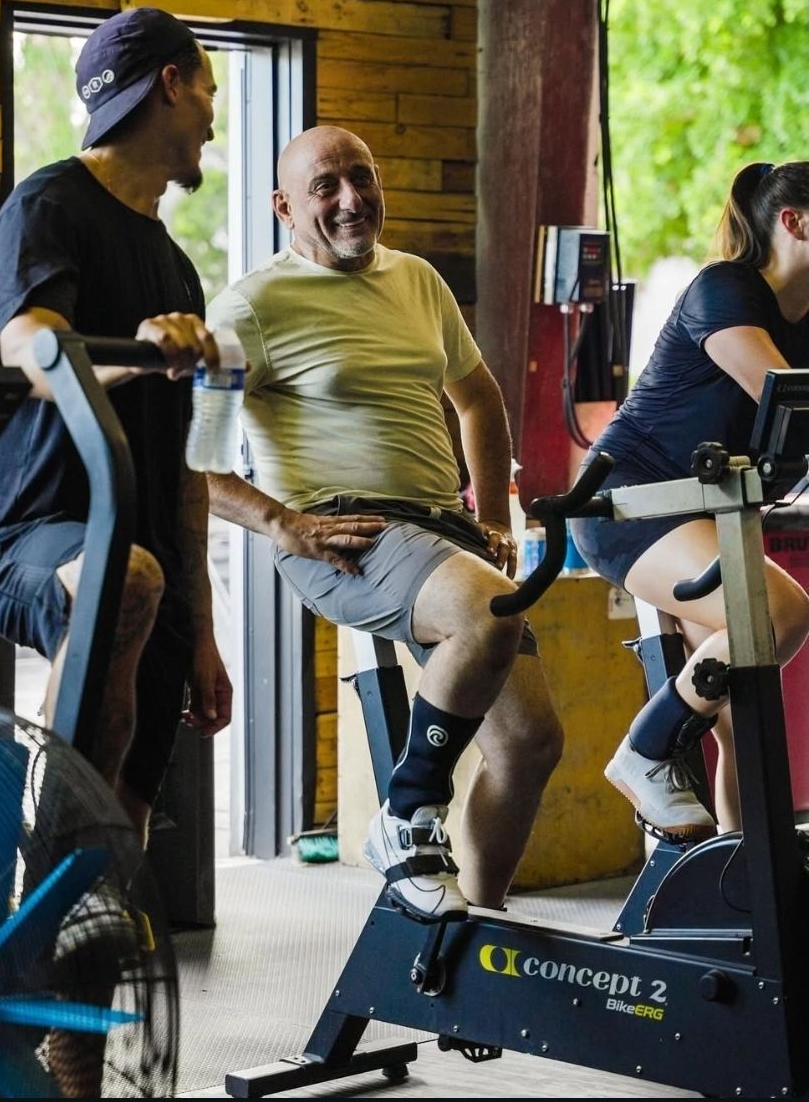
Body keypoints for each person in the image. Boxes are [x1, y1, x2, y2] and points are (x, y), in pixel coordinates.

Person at [205, 124, 563, 922]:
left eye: (360, 178)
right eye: (324, 187)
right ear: (281, 208)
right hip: (343, 530)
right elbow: (189, 459)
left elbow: (478, 398)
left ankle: (474, 939)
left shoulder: (417, 279)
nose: (349, 200)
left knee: (529, 741)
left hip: (444, 531)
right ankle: (407, 812)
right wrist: (280, 523)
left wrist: (493, 515)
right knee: (484, 610)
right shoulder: (251, 305)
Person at [0, 6, 233, 847]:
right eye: (208, 89)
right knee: (127, 578)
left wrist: (204, 630)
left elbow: (186, 466)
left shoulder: (177, 265)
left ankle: (74, 950)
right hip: (25, 532)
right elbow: (29, 347)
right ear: (170, 85)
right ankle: (29, 883)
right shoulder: (47, 205)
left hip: (140, 554)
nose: (214, 117)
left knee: (122, 833)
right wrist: (135, 351)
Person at [570, 161, 809, 841]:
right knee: (777, 611)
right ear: (791, 222)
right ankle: (645, 749)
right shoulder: (724, 290)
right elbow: (778, 390)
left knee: (747, 715)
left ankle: (749, 887)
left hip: (704, 515)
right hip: (628, 505)